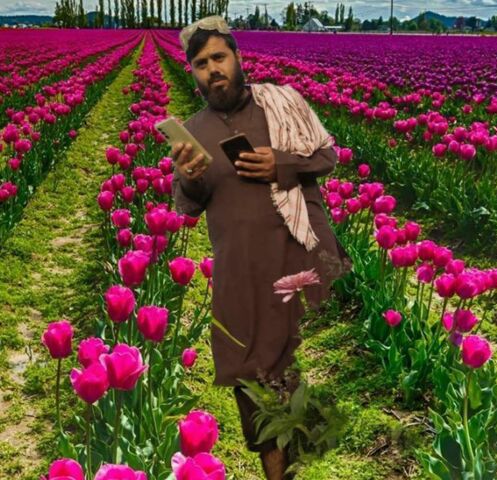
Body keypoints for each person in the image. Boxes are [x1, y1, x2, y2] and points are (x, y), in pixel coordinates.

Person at [170, 16, 353, 480]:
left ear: (237, 57)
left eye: (219, 57)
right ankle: (278, 466)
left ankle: (297, 454)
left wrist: (282, 164)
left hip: (296, 257)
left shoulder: (282, 103)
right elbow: (187, 207)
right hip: (241, 271)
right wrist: (188, 178)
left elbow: (328, 156)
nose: (212, 69)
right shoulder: (193, 132)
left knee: (287, 366)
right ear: (192, 73)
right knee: (247, 373)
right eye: (201, 63)